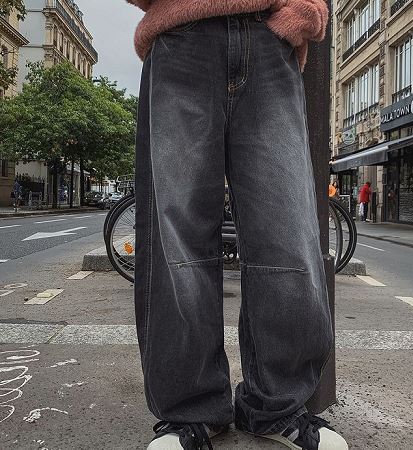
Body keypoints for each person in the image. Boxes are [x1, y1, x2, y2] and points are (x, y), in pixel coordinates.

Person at [126, 1, 348, 449]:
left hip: (270, 44)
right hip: (179, 35)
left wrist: (306, 10)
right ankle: (190, 411)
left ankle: (279, 405)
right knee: (176, 241)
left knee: (288, 233)